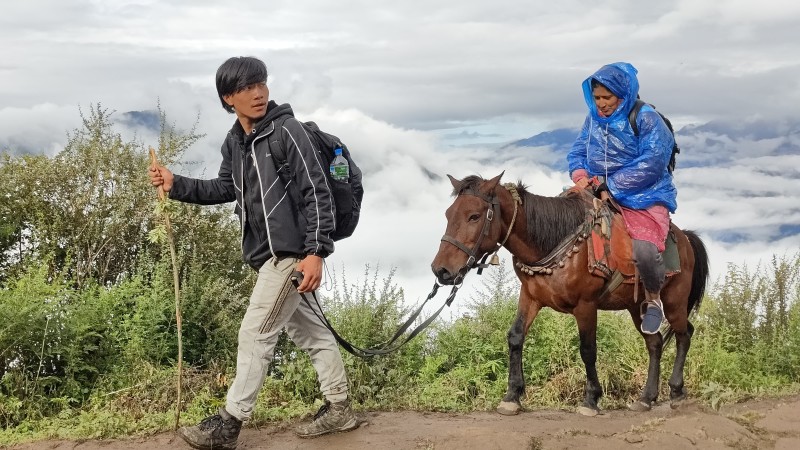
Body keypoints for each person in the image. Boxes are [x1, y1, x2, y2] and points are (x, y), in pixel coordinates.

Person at [149, 56, 359, 450]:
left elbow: (316, 191)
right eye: (246, 88)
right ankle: (340, 408)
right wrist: (176, 183)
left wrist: (316, 252)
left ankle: (229, 424)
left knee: (254, 334)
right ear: (228, 97)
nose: (258, 92)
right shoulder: (237, 141)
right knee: (312, 334)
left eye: (261, 83)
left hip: (291, 256)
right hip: (269, 256)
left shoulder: (286, 131)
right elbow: (225, 188)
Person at [566, 62, 677, 335]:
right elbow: (578, 150)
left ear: (622, 94)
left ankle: (653, 301)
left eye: (607, 97)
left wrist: (612, 185)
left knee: (644, 249)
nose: (601, 103)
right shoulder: (593, 118)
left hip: (644, 194)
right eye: (597, 97)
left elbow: (653, 161)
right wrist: (580, 174)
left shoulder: (646, 118)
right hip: (595, 187)